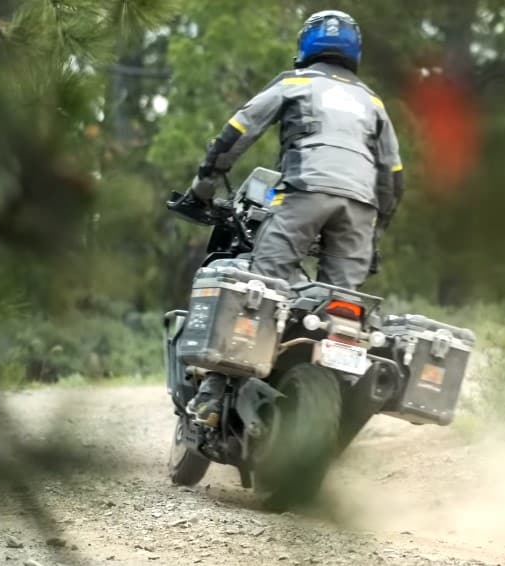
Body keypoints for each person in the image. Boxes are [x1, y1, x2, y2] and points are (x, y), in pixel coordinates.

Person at [170, 9, 404, 426]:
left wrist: (204, 184)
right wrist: (375, 234)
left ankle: (212, 393)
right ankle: (335, 403)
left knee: (261, 289)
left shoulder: (295, 83)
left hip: (304, 192)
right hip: (360, 210)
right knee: (341, 308)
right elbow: (392, 176)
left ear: (306, 45)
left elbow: (240, 130)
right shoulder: (373, 102)